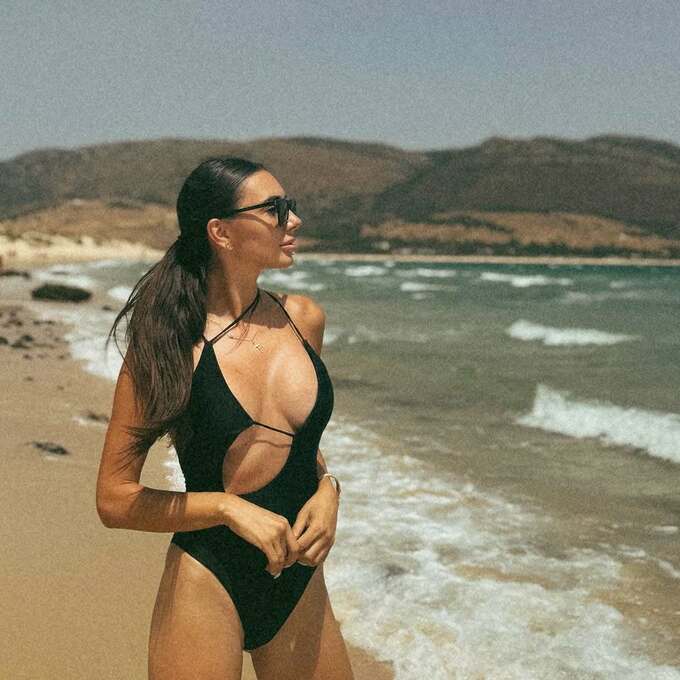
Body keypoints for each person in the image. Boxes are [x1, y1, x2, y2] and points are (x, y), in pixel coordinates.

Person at [96, 157, 354, 680]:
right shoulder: (167, 348)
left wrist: (329, 490)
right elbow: (114, 499)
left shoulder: (303, 319)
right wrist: (228, 508)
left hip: (299, 580)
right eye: (274, 209)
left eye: (290, 206)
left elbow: (297, 443)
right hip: (208, 579)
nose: (293, 220)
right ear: (221, 232)